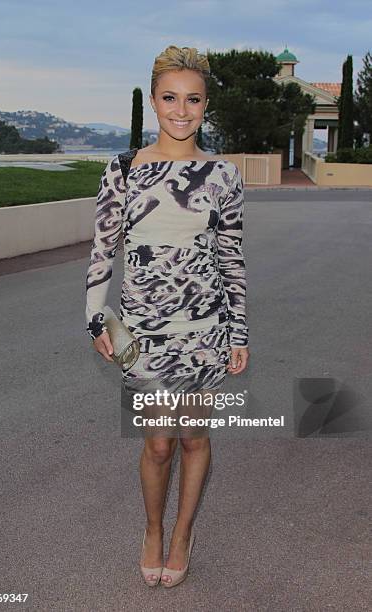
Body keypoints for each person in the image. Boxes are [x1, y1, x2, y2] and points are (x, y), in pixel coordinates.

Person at [85, 44, 249, 588]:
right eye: (170, 98)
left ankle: (182, 534)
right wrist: (95, 319)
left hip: (205, 332)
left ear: (206, 106)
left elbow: (231, 256)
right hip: (143, 334)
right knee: (159, 442)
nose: (182, 110)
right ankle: (153, 529)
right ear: (154, 101)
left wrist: (238, 331)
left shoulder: (223, 175)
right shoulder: (123, 171)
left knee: (194, 439)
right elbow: (103, 250)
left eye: (194, 100)